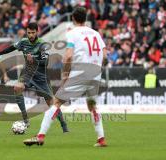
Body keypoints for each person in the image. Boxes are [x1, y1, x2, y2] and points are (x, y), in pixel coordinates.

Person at [23, 7, 107, 147]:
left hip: (80, 71)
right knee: (92, 106)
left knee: (56, 102)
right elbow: (104, 56)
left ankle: (40, 136)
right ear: (85, 18)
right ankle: (101, 139)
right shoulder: (96, 34)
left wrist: (66, 74)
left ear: (73, 19)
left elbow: (68, 56)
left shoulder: (72, 33)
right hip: (96, 73)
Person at [0, 22, 68, 132]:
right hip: (27, 74)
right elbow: (11, 48)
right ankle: (25, 119)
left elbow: (45, 62)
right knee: (17, 88)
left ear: (37, 32)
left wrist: (34, 60)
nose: (31, 35)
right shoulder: (23, 42)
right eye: (29, 33)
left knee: (51, 103)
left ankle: (63, 124)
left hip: (41, 76)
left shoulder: (42, 44)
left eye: (33, 33)